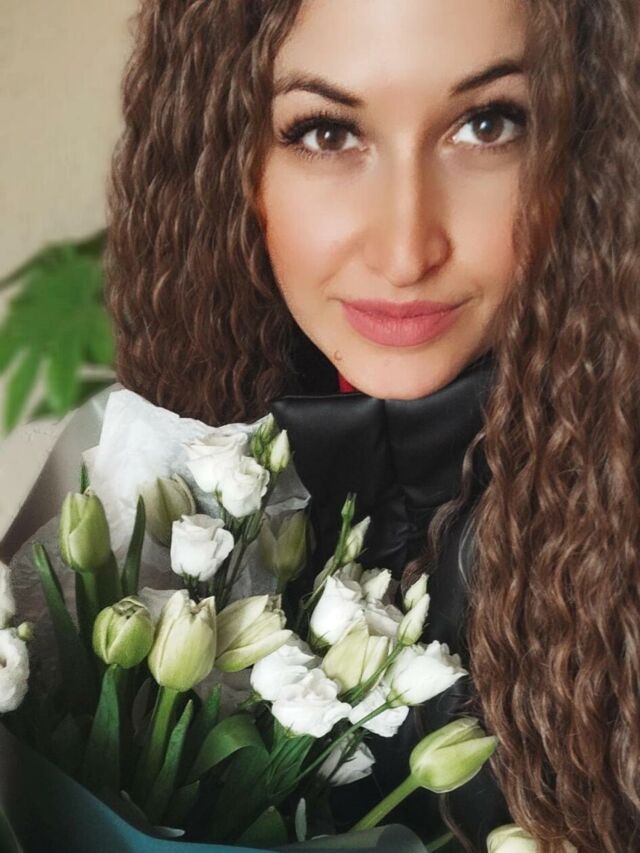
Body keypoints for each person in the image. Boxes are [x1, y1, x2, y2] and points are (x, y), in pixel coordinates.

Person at [104, 1, 640, 850]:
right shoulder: (182, 468)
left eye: (489, 125)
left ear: (586, 149)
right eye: (327, 133)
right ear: (226, 159)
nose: (405, 251)